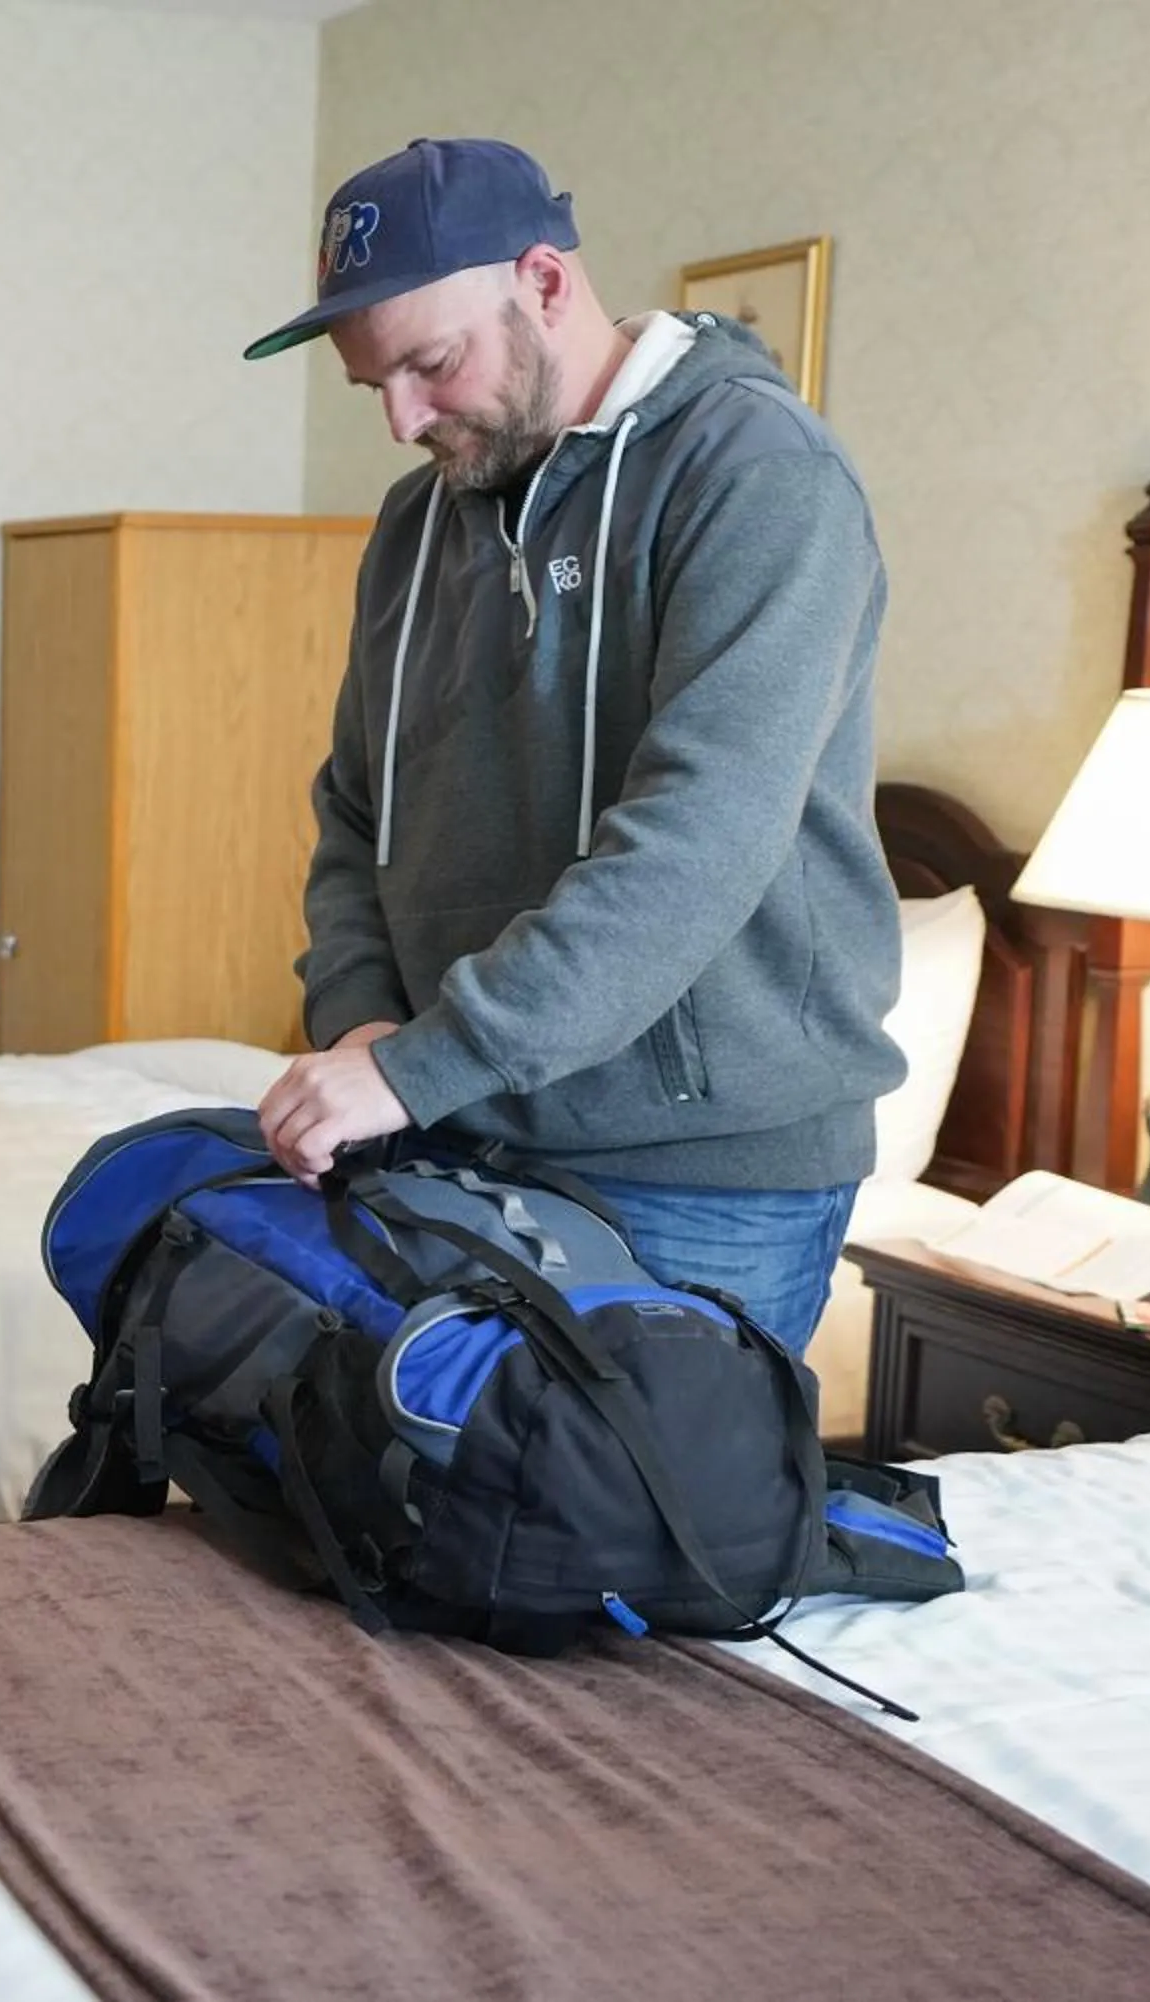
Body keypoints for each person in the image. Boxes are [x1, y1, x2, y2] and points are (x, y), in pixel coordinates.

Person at [245, 137, 902, 1354]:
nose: (402, 420)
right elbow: (356, 809)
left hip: (696, 1171)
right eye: (373, 386)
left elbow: (694, 844)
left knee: (635, 1544)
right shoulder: (420, 521)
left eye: (432, 364)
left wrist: (419, 1066)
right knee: (418, 1530)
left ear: (544, 282)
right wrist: (360, 1028)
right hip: (454, 1125)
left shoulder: (758, 477)